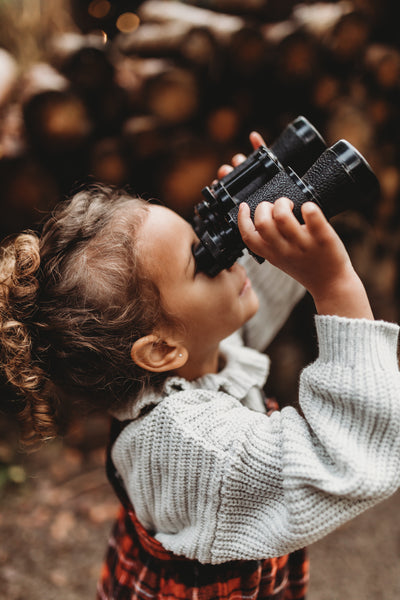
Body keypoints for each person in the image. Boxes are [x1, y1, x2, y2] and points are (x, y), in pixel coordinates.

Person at [1, 133, 400, 600]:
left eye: (201, 233)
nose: (224, 256)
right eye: (200, 258)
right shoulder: (189, 444)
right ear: (160, 349)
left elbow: (245, 299)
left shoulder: (190, 354)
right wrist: (336, 287)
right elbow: (349, 461)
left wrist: (263, 207)